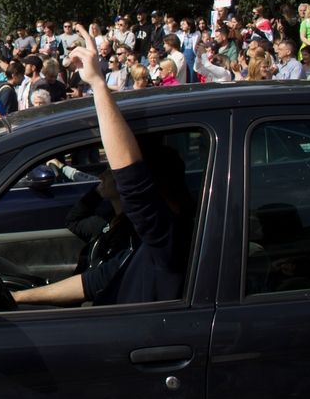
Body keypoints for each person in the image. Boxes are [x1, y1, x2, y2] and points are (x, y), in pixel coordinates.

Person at [14, 24, 196, 307]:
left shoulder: (169, 241)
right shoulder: (142, 245)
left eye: (114, 173)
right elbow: (93, 282)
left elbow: (132, 178)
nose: (108, 175)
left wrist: (97, 83)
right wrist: (17, 298)